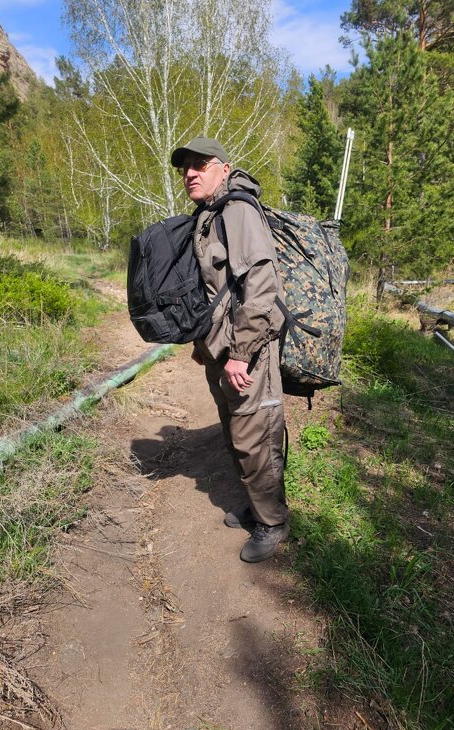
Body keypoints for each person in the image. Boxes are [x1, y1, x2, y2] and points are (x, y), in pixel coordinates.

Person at [170, 136, 289, 563]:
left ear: (223, 167)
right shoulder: (209, 215)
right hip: (222, 346)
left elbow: (260, 285)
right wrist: (205, 346)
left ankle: (273, 522)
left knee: (254, 435)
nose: (190, 173)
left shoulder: (237, 210)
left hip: (248, 347)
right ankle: (259, 506)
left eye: (200, 165)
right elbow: (214, 290)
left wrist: (241, 351)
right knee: (236, 432)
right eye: (185, 168)